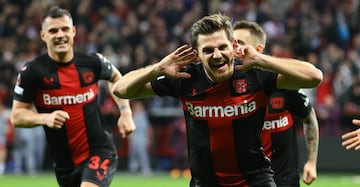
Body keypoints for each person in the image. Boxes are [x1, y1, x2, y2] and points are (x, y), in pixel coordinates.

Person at [112, 13, 323, 186]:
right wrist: (158, 68)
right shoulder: (185, 78)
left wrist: (261, 59)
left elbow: (314, 77)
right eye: (208, 50)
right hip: (206, 182)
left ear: (233, 46)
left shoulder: (255, 74)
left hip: (255, 179)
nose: (217, 55)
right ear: (197, 54)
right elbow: (122, 90)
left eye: (222, 47)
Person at [10, 7, 136, 187]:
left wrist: (125, 112)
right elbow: (17, 116)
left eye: (65, 29)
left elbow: (116, 78)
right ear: (43, 35)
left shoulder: (93, 63)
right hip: (65, 165)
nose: (60, 35)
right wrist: (45, 118)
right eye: (53, 31)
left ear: (73, 31)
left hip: (99, 151)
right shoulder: (33, 72)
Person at [233, 20, 319, 187]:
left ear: (258, 50)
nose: (234, 49)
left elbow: (309, 118)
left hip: (284, 180)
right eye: (232, 43)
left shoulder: (282, 83)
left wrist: (311, 162)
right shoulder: (226, 86)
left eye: (240, 43)